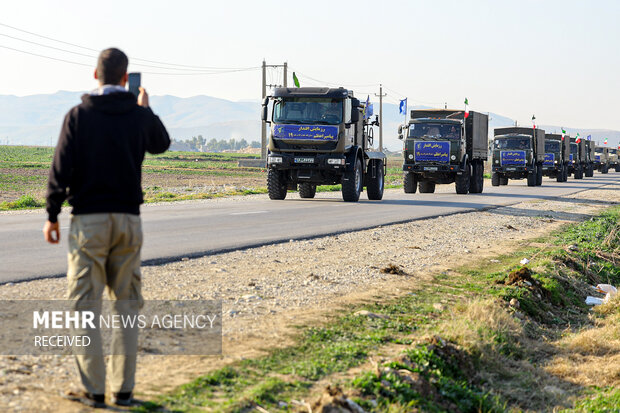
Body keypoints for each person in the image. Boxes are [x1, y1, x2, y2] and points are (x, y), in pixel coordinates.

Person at [43, 48, 170, 408]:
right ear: (126, 78)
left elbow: (60, 168)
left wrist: (52, 214)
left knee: (85, 305)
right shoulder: (137, 116)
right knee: (125, 305)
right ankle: (124, 390)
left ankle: (95, 390)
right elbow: (161, 144)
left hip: (89, 222)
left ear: (94, 75)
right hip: (129, 221)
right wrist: (146, 109)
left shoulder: (79, 116)